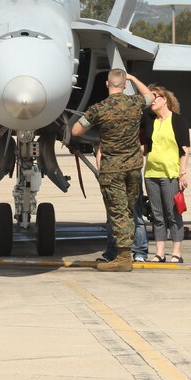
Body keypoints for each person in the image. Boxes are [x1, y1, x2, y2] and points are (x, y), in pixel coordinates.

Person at [71, 69, 153, 271]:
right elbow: (150, 97)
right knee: (128, 210)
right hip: (133, 167)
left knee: (118, 213)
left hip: (112, 170)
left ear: (107, 85)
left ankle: (123, 258)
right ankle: (132, 251)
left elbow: (75, 131)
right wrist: (134, 78)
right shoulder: (135, 103)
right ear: (124, 85)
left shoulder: (99, 109)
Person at [141, 85, 190, 263]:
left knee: (173, 213)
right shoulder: (148, 120)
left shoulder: (177, 121)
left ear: (165, 100)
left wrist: (182, 173)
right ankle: (159, 252)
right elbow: (144, 146)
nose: (151, 101)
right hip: (151, 173)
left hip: (170, 174)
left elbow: (184, 150)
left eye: (154, 97)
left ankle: (176, 252)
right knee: (157, 215)